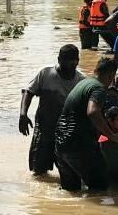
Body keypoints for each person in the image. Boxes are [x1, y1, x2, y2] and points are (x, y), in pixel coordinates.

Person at [54, 57, 118, 191]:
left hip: (61, 143)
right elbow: (92, 112)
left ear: (96, 70)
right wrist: (112, 136)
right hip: (79, 144)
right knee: (100, 187)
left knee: (71, 192)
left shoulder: (83, 83)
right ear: (111, 75)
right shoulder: (98, 88)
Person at [19, 45, 86, 176]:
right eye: (65, 62)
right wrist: (23, 114)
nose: (69, 67)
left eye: (73, 63)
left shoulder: (81, 81)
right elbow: (28, 92)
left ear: (77, 61)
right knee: (38, 172)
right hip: (45, 128)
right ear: (59, 59)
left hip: (68, 131)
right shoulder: (46, 74)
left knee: (70, 172)